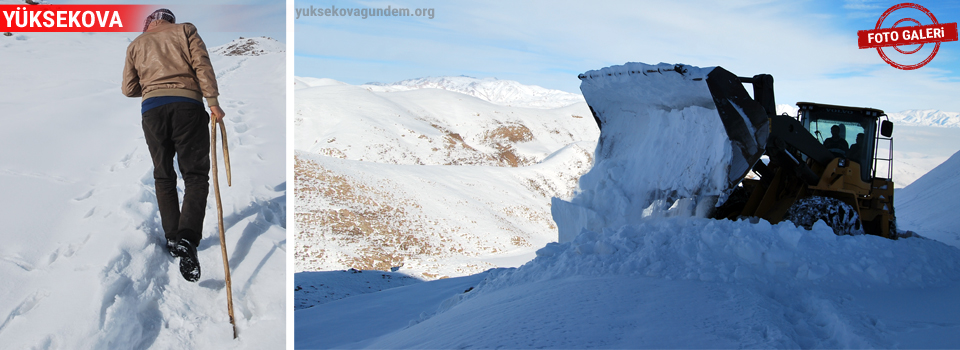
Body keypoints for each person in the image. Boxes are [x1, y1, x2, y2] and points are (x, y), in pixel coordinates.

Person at [121, 9, 225, 282]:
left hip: (152, 110)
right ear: (170, 20)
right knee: (195, 175)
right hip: (187, 105)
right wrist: (212, 101)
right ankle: (187, 238)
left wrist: (153, 84)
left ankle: (171, 237)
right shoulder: (185, 30)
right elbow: (202, 65)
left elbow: (129, 88)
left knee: (163, 174)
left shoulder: (136, 44)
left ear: (150, 23)